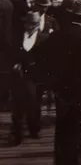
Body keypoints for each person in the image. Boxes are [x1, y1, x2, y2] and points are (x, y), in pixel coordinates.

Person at [49, 0, 81, 165]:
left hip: (60, 87)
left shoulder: (57, 35)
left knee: (62, 126)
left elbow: (45, 58)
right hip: (78, 89)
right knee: (75, 125)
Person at [8, 11, 51, 145]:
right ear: (24, 24)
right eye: (28, 23)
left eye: (34, 24)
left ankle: (34, 128)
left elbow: (47, 59)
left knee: (34, 103)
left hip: (36, 77)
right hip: (18, 76)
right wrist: (14, 64)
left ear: (38, 25)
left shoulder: (44, 39)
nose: (31, 26)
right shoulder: (17, 38)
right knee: (17, 104)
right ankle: (17, 133)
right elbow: (11, 54)